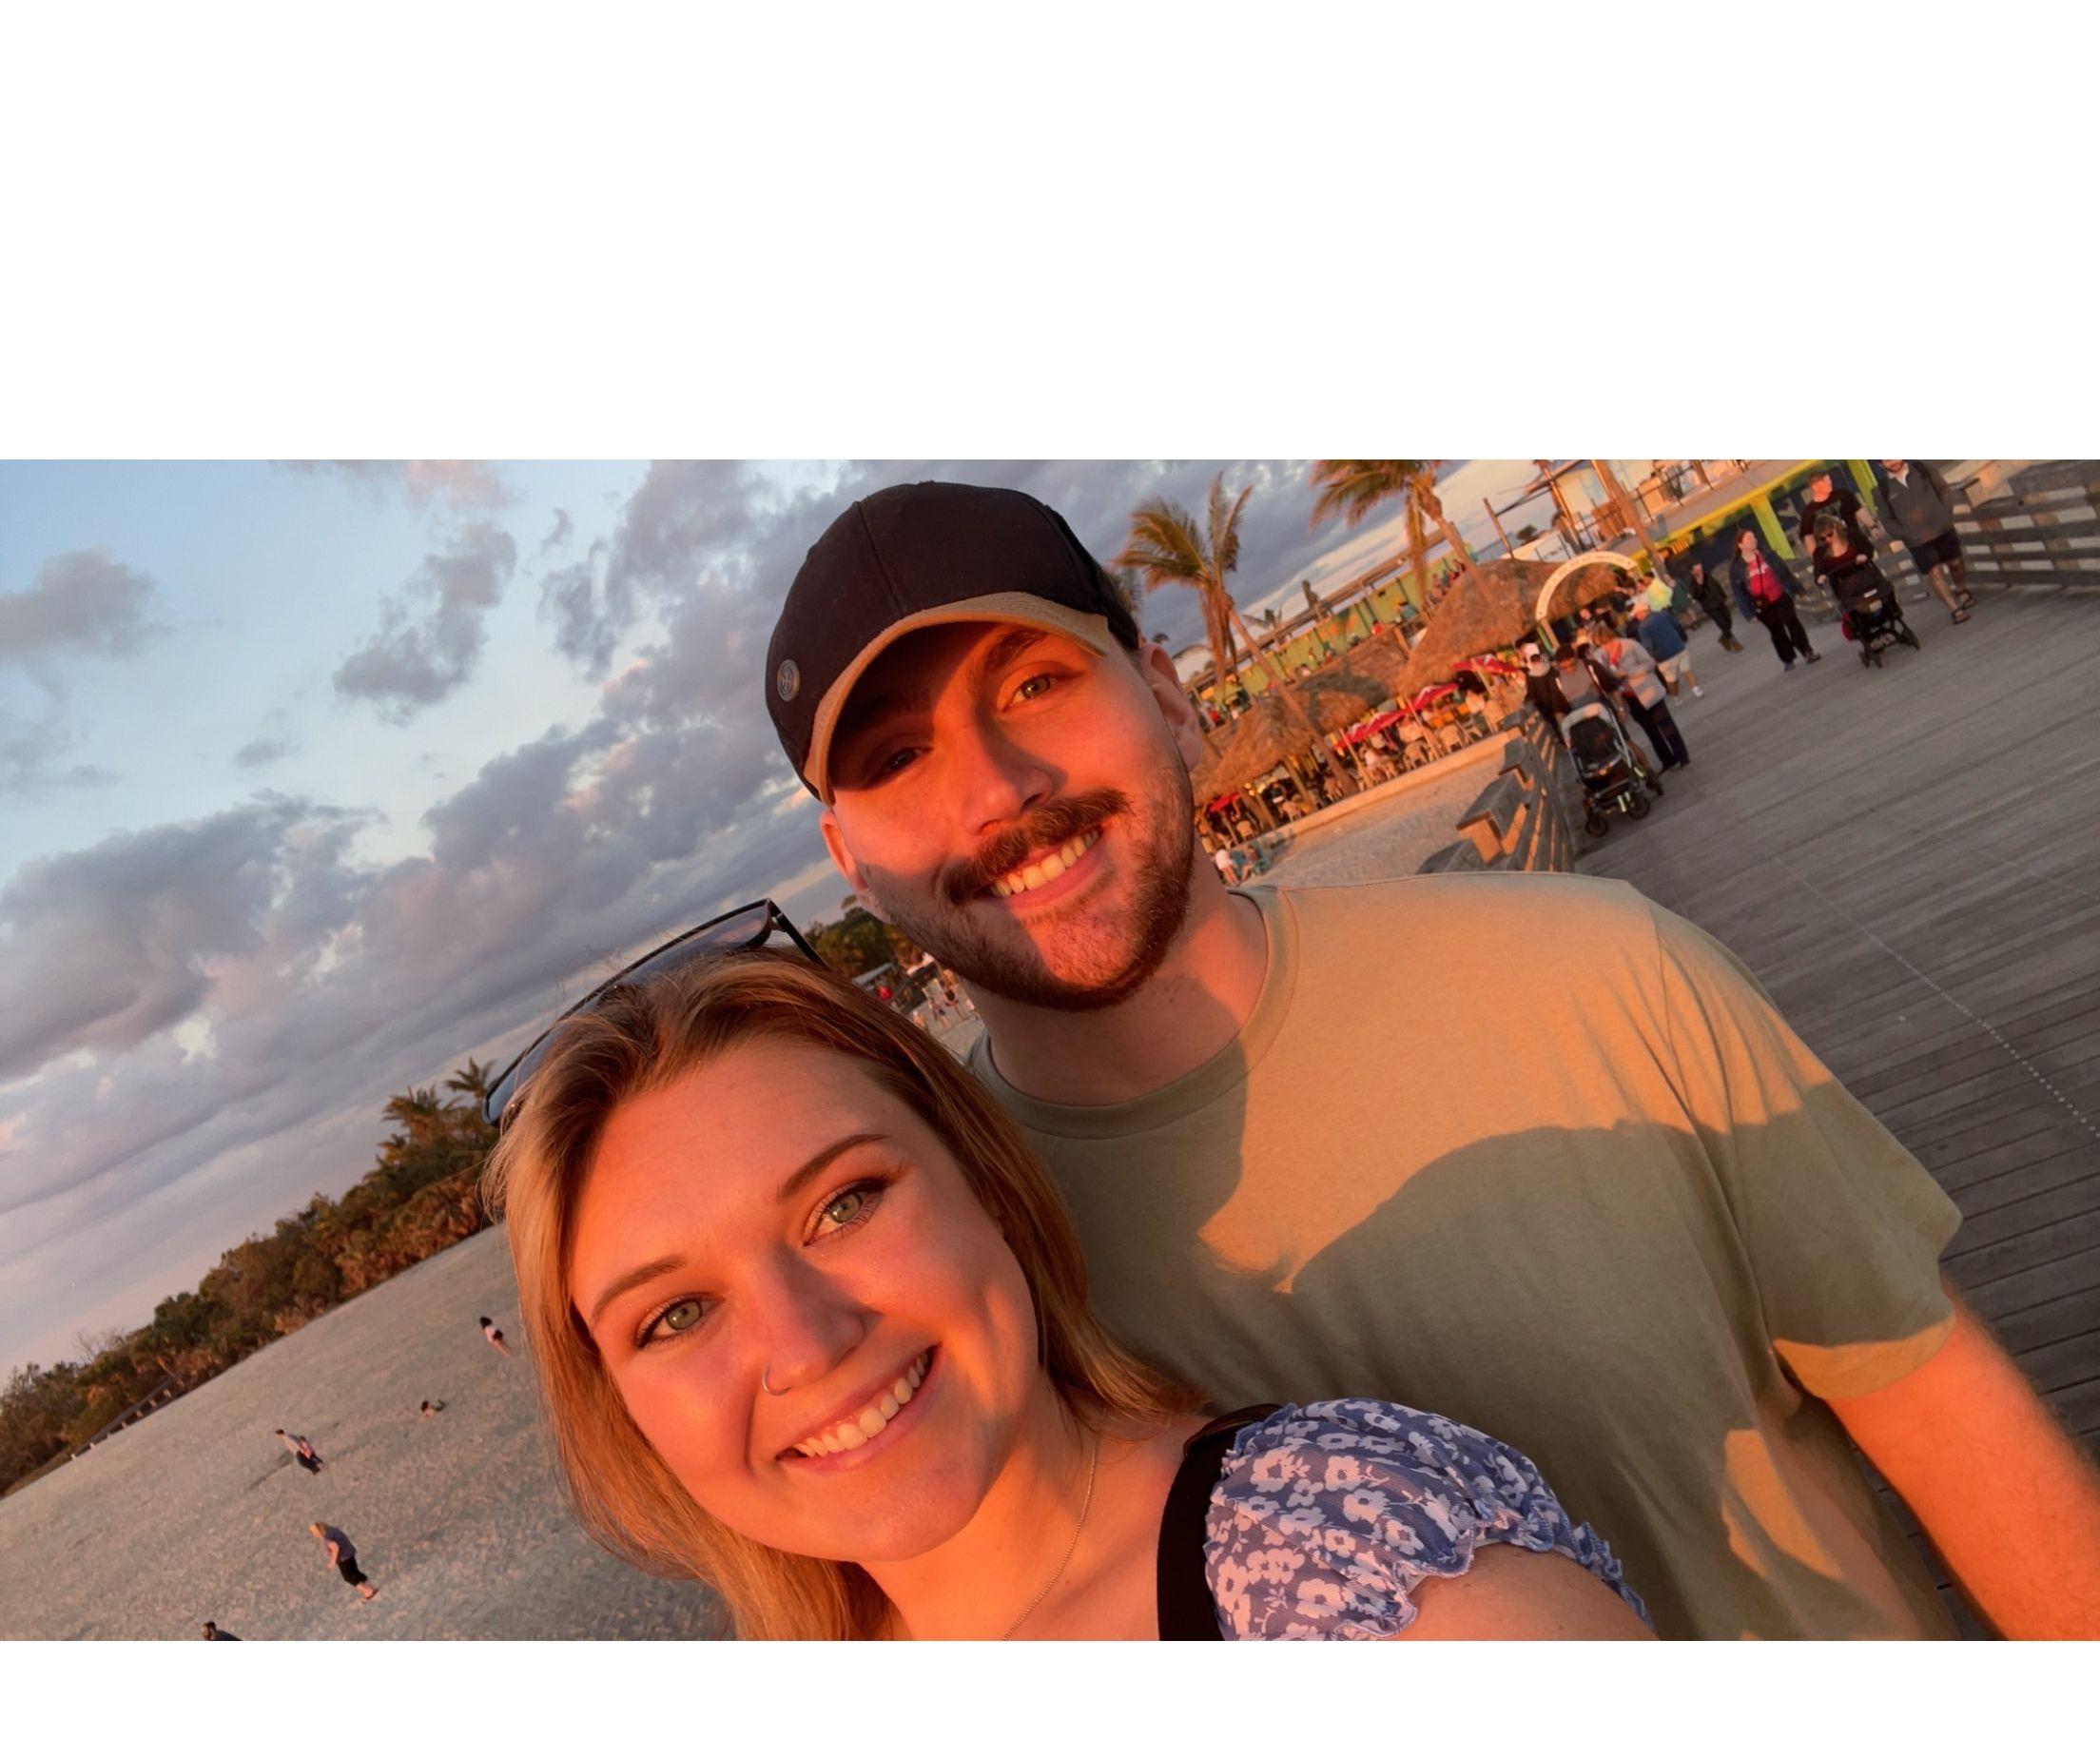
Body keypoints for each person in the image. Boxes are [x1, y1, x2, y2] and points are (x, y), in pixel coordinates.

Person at [757, 477, 2100, 1639]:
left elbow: (1937, 1409)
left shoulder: (1595, 973)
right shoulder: (935, 1276)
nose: (997, 788)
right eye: (899, 757)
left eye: (1036, 684)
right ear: (847, 858)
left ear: (1165, 693)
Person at [486, 951, 1649, 1640]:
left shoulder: (1349, 1574)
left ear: (985, 1185)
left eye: (844, 1205)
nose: (804, 1344)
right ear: (622, 1410)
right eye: (676, 1315)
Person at [1879, 459, 1976, 624]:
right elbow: (1887, 519)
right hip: (1917, 540)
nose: (1893, 461)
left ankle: (1960, 589)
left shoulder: (1921, 468)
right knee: (1934, 572)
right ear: (1881, 465)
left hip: (1942, 528)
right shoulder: (1882, 489)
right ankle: (1955, 609)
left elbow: (1943, 490)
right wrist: (1905, 534)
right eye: (1887, 459)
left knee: (1955, 563)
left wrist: (1946, 514)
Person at [1593, 622, 1691, 772]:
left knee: (1666, 726)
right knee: (1651, 731)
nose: (1606, 647)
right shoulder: (1601, 657)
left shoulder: (1630, 645)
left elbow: (1650, 663)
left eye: (1607, 643)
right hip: (1630, 698)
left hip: (1649, 691)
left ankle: (1682, 756)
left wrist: (1628, 672)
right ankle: (1667, 760)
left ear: (1612, 638)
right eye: (1601, 645)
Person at [1728, 525, 1821, 670]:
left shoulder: (1768, 554)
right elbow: (1739, 593)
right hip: (1762, 604)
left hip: (1780, 595)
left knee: (1792, 622)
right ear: (1740, 545)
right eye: (1749, 538)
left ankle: (1807, 651)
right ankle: (1788, 659)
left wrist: (1797, 588)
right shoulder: (1736, 568)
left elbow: (1784, 571)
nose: (1754, 540)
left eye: (1754, 537)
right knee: (1776, 630)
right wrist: (1749, 613)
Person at [1631, 596, 1701, 700]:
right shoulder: (1664, 614)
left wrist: (1651, 658)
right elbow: (1677, 626)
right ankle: (1696, 690)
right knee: (1687, 670)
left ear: (1642, 612)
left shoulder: (1643, 627)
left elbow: (1648, 645)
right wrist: (1683, 638)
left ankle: (1676, 697)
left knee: (1671, 678)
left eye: (1637, 614)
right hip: (1678, 647)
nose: (1637, 617)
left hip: (1663, 656)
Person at [1797, 469, 1871, 555]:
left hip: (1856, 541)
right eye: (1825, 481)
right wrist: (1815, 557)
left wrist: (1872, 526)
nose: (1829, 483)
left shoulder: (1843, 494)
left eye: (1829, 480)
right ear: (1815, 487)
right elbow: (1809, 537)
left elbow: (1859, 510)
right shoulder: (1809, 511)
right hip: (1834, 552)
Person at [1686, 557, 1744, 652]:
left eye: (1700, 568)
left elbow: (1716, 585)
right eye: (1697, 570)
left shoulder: (1707, 576)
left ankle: (1723, 639)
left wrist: (1723, 596)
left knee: (1728, 620)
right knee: (1722, 624)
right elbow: (1696, 596)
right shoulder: (1692, 583)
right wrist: (1700, 584)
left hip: (1719, 601)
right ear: (1692, 572)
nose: (1700, 571)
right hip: (1710, 607)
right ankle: (1734, 642)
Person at [311, 1522, 377, 1600]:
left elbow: (335, 1547)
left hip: (343, 1559)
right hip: (350, 1553)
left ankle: (367, 1591)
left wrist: (333, 1561)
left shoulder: (327, 1537)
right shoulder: (334, 1530)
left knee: (348, 1577)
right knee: (356, 1572)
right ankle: (372, 1587)